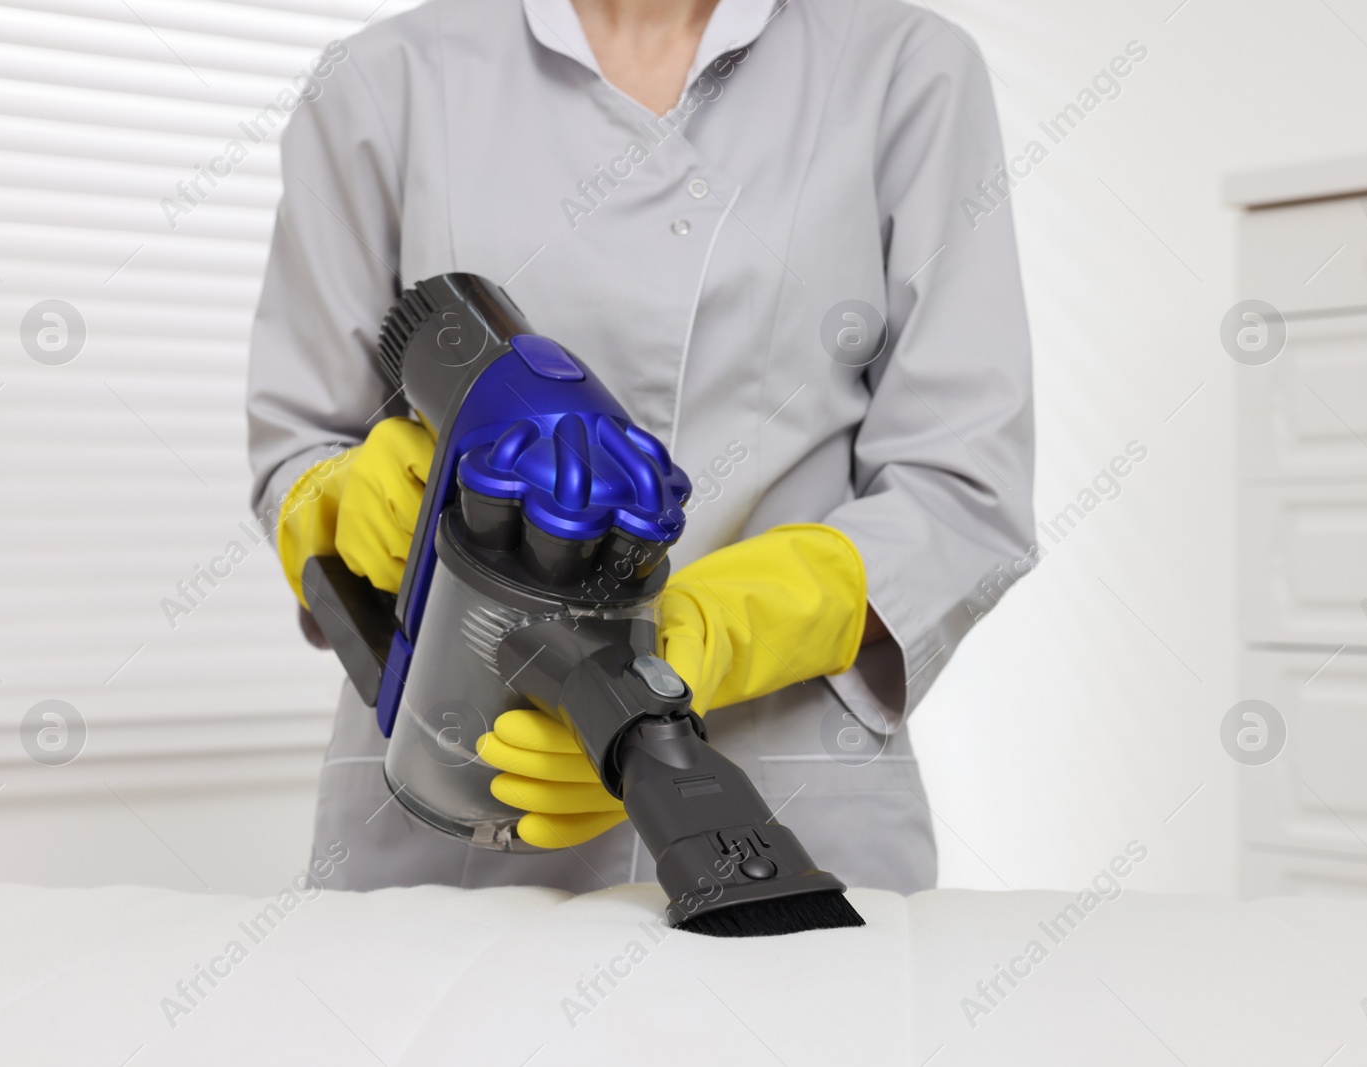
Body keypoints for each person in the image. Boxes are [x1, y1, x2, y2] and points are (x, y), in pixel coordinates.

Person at [248, 0, 1034, 894]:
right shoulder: (384, 79)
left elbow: (963, 488)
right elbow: (297, 442)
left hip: (786, 802)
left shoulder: (906, 69)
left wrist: (707, 635)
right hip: (442, 791)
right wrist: (350, 498)